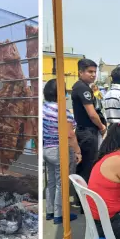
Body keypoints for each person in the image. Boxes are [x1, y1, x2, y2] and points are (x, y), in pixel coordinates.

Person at [43, 79, 81, 224]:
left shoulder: (43, 108)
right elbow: (70, 135)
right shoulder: (63, 112)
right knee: (61, 183)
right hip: (59, 150)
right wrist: (78, 152)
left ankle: (50, 211)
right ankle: (60, 215)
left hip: (46, 149)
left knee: (51, 181)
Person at [71, 59, 106, 188]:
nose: (93, 74)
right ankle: (84, 201)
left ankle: (82, 198)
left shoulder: (83, 87)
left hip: (85, 131)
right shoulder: (82, 88)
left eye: (95, 72)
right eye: (90, 71)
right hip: (88, 132)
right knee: (88, 167)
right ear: (80, 72)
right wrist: (102, 127)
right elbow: (92, 114)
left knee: (86, 166)